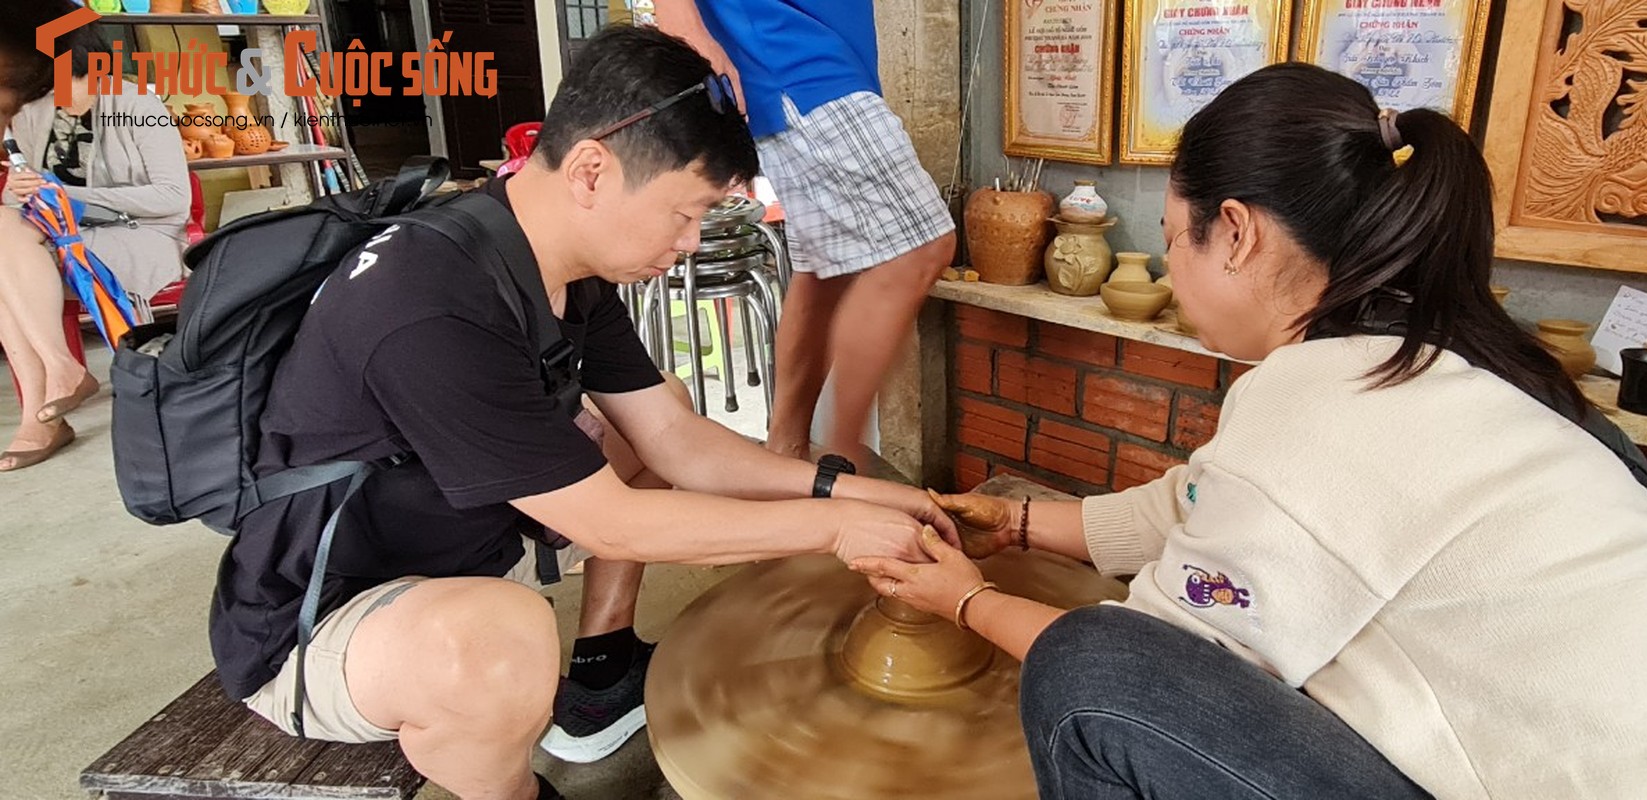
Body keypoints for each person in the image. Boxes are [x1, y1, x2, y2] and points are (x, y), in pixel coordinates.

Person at [853, 64, 1647, 799]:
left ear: (1239, 233)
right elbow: (1208, 505)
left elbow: (1163, 653)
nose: (1169, 267)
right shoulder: (1439, 354)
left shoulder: (1320, 406)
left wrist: (965, 603)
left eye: (1175, 237)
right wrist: (1013, 525)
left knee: (1088, 670)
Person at [211, 26, 955, 800]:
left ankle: (602, 672)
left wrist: (861, 494)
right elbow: (612, 524)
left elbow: (673, 442)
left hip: (444, 553)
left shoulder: (552, 259)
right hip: (317, 623)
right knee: (503, 644)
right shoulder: (431, 301)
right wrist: (837, 534)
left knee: (653, 408)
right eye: (685, 212)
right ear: (593, 169)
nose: (691, 243)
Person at [656, 0, 957, 466]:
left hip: (817, 48)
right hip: (788, 50)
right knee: (923, 248)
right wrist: (684, 27)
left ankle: (787, 452)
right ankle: (840, 461)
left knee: (823, 269)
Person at [0, 4, 189, 471]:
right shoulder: (32, 113)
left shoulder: (137, 103)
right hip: (57, 238)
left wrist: (71, 194)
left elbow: (173, 198)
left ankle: (40, 417)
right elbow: (16, 204)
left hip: (138, 233)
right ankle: (58, 372)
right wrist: (17, 189)